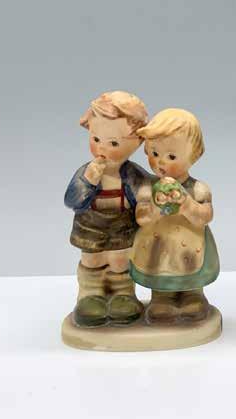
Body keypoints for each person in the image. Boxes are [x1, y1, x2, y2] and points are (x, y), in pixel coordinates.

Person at [64, 91, 150, 327]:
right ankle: (91, 295)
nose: (102, 148)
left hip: (122, 226)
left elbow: (147, 189)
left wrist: (149, 196)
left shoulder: (131, 173)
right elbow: (71, 200)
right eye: (96, 139)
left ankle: (123, 296)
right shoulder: (87, 172)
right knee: (92, 259)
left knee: (121, 261)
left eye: (113, 143)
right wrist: (88, 182)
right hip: (90, 226)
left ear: (138, 142)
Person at [130, 108, 220, 324]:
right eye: (154, 154)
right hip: (157, 246)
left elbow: (206, 216)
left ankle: (193, 296)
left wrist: (187, 205)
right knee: (160, 273)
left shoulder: (198, 189)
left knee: (192, 274)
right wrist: (155, 208)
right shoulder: (146, 188)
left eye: (171, 156)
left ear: (193, 156)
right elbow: (141, 217)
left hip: (191, 246)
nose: (160, 162)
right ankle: (162, 299)